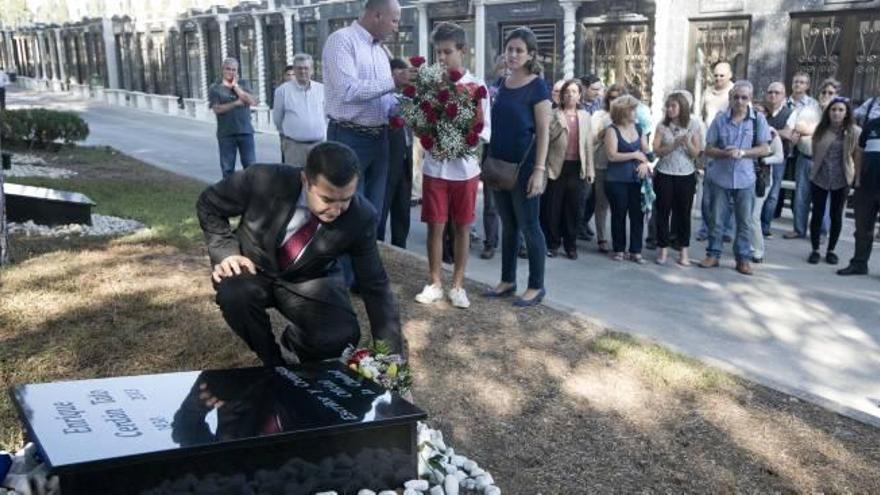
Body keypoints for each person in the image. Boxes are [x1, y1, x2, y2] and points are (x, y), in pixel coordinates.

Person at [196, 142, 403, 365]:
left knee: (341, 335)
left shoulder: (361, 217)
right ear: (306, 180)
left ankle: (296, 343)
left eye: (346, 199)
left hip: (308, 278)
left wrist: (390, 358)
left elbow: (375, 286)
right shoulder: (263, 178)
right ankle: (273, 362)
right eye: (327, 199)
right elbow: (209, 204)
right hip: (252, 268)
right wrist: (227, 253)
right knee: (234, 294)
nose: (336, 210)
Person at [413, 22, 491, 309]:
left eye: (447, 51)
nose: (442, 58)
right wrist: (431, 139)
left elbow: (484, 131)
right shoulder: (430, 85)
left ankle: (458, 285)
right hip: (435, 170)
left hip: (465, 171)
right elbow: (420, 123)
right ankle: (435, 282)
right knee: (435, 227)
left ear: (463, 50)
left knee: (462, 228)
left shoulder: (477, 86)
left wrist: (457, 143)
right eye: (438, 53)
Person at [322, 0, 411, 217]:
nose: (396, 27)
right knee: (347, 212)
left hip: (380, 139)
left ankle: (368, 252)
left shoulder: (380, 52)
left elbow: (385, 102)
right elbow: (348, 91)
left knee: (373, 213)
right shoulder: (341, 41)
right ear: (377, 16)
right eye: (394, 20)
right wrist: (394, 81)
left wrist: (414, 106)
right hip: (348, 137)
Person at [482, 27, 551, 307]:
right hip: (498, 163)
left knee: (530, 226)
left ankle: (536, 286)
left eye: (519, 50)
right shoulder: (500, 83)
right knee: (508, 225)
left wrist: (539, 170)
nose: (512, 54)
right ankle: (507, 280)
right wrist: (493, 74)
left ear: (530, 54)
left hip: (524, 167)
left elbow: (544, 132)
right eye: (509, 49)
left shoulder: (538, 86)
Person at [699, 81, 771, 275]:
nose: (739, 101)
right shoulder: (720, 120)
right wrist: (724, 153)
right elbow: (708, 148)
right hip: (720, 176)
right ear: (730, 98)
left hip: (745, 178)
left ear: (750, 99)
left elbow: (765, 148)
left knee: (744, 221)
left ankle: (743, 259)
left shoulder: (758, 120)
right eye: (736, 97)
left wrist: (743, 152)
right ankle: (713, 254)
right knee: (716, 218)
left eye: (744, 97)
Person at [806, 97, 861, 265]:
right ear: (828, 112)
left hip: (841, 179)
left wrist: (856, 179)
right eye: (833, 109)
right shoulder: (821, 130)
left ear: (846, 113)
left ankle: (831, 250)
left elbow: (857, 156)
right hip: (821, 177)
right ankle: (815, 249)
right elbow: (815, 152)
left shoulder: (854, 131)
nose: (836, 113)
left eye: (840, 110)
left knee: (836, 216)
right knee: (817, 214)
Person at [543, 79, 594, 259]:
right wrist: (560, 122)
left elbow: (588, 144)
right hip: (556, 167)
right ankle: (553, 243)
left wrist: (590, 170)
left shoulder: (586, 116)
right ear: (562, 95)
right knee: (553, 208)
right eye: (567, 92)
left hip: (577, 167)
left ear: (580, 95)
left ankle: (570, 245)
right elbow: (547, 139)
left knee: (573, 208)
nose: (570, 95)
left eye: (574, 91)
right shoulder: (553, 114)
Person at [652, 92, 701, 266]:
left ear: (682, 108)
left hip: (686, 175)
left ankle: (684, 251)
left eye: (674, 106)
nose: (670, 109)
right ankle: (662, 249)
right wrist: (673, 145)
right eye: (668, 106)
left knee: (684, 214)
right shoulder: (662, 126)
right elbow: (656, 150)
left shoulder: (693, 125)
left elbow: (696, 153)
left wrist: (686, 143)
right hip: (665, 173)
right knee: (663, 212)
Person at [604, 95, 651, 263]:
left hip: (637, 179)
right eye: (632, 109)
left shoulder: (639, 128)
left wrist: (645, 162)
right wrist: (634, 154)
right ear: (623, 111)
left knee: (637, 215)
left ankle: (636, 250)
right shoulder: (612, 129)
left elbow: (645, 151)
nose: (634, 112)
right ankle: (618, 249)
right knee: (619, 214)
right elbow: (612, 155)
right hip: (616, 179)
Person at [780, 71, 822, 239]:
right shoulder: (784, 102)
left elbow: (818, 129)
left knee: (809, 193)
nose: (798, 85)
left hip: (807, 151)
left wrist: (802, 132)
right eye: (796, 81)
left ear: (808, 85)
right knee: (790, 191)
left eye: (802, 82)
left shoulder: (813, 105)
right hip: (786, 150)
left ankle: (818, 231)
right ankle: (797, 227)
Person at [378, 58, 413, 249]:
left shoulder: (407, 96)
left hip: (405, 165)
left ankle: (401, 251)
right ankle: (379, 250)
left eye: (406, 72)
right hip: (388, 165)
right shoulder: (384, 96)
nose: (405, 75)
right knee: (381, 213)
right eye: (401, 72)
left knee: (402, 214)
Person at [838, 114, 879, 275]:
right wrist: (858, 178)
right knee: (862, 229)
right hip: (866, 186)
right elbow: (860, 153)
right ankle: (859, 264)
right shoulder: (871, 125)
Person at [208, 58, 259, 179]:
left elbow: (252, 101)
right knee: (227, 168)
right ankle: (228, 194)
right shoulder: (215, 87)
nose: (231, 72)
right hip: (226, 133)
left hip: (245, 131)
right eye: (228, 69)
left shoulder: (244, 84)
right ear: (222, 70)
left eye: (234, 70)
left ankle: (251, 194)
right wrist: (236, 103)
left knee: (250, 167)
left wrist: (235, 86)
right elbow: (217, 109)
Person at [272, 55, 326, 167]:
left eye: (306, 68)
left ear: (311, 70)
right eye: (299, 68)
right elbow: (277, 119)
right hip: (294, 147)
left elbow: (327, 115)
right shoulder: (282, 91)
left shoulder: (322, 89)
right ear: (294, 70)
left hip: (319, 146)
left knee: (317, 181)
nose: (303, 71)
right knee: (294, 181)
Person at [479, 56, 509, 260]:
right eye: (502, 66)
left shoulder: (524, 89)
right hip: (492, 153)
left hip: (516, 154)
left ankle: (519, 243)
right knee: (491, 204)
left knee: (516, 204)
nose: (506, 70)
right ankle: (490, 242)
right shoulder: (489, 91)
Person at [590, 84, 625, 253]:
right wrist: (604, 132)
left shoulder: (629, 117)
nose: (614, 101)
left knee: (620, 205)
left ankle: (619, 241)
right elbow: (591, 141)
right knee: (601, 203)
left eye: (618, 97)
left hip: (621, 167)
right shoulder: (599, 116)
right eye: (611, 97)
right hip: (602, 164)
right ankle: (602, 238)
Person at [751, 103, 784, 263]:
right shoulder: (746, 129)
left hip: (762, 179)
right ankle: (748, 245)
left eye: (761, 112)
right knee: (744, 215)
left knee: (754, 216)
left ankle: (758, 250)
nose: (757, 114)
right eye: (755, 111)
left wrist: (764, 159)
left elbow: (780, 156)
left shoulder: (771, 133)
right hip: (745, 177)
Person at [760, 81, 793, 237]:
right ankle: (754, 224)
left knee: (773, 194)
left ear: (784, 96)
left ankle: (765, 227)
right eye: (770, 92)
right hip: (758, 156)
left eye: (777, 93)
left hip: (778, 158)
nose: (773, 95)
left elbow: (788, 134)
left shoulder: (790, 113)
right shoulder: (760, 112)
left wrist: (767, 131)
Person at [702, 61, 734, 127]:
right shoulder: (707, 92)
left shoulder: (737, 92)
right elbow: (702, 115)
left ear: (730, 75)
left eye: (722, 76)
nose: (718, 78)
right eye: (716, 75)